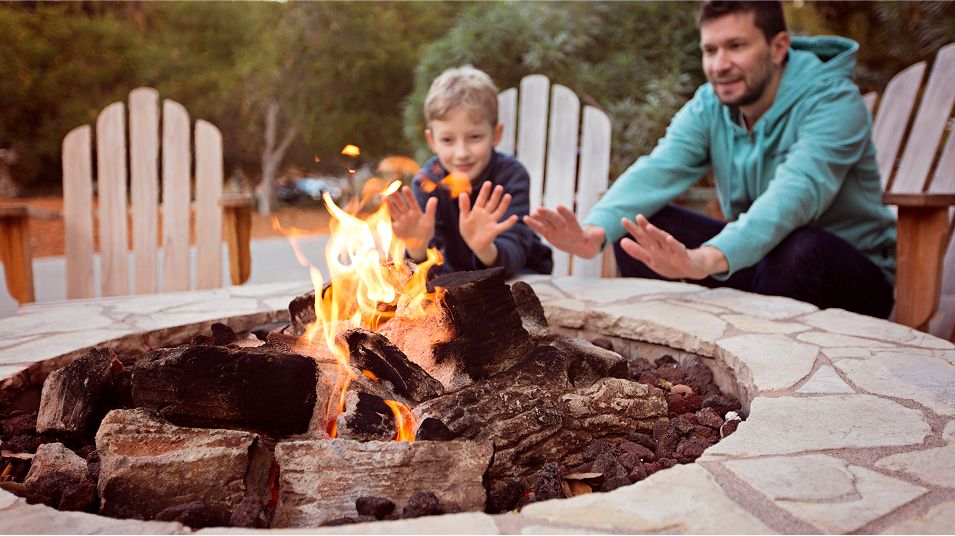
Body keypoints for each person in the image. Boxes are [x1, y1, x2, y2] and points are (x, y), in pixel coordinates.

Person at [525, 0, 896, 318]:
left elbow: (794, 196)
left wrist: (706, 258)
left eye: (736, 46)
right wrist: (596, 232)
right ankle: (673, 365)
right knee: (642, 227)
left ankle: (773, 379)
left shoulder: (834, 102)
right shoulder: (711, 104)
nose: (720, 65)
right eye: (710, 50)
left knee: (799, 247)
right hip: (762, 265)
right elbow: (658, 169)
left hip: (848, 277)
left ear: (779, 46)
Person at [387, 66, 553, 277]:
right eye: (447, 140)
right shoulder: (427, 182)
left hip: (518, 278)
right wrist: (417, 247)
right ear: (432, 141)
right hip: (458, 284)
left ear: (496, 134)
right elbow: (425, 272)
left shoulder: (511, 176)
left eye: (474, 137)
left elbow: (516, 251)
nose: (461, 153)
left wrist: (484, 247)